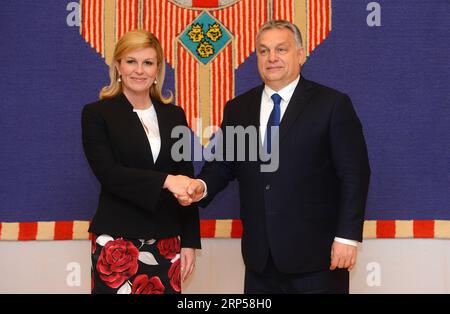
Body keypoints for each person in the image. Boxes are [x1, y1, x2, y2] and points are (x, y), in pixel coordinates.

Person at [182, 20, 371, 293]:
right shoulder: (239, 108)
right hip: (260, 261)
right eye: (263, 51)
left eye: (281, 49)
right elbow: (223, 164)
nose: (272, 58)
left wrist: (347, 237)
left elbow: (354, 174)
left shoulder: (332, 104)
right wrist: (202, 186)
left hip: (318, 260)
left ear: (300, 54)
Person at [81, 30, 200, 294]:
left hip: (168, 242)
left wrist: (189, 241)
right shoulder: (97, 114)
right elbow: (109, 174)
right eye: (131, 61)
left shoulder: (175, 115)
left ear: (158, 69)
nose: (139, 70)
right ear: (118, 66)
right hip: (116, 241)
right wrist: (166, 181)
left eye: (148, 62)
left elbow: (186, 179)